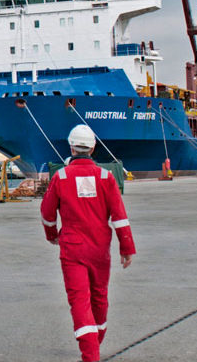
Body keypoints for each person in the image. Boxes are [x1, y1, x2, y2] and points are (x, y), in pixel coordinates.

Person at [40, 124, 136, 362]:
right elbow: (119, 216)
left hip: (72, 249)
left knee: (79, 300)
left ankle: (90, 353)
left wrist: (52, 235)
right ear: (93, 148)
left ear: (71, 147)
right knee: (99, 296)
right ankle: (95, 341)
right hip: (100, 249)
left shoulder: (61, 176)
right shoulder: (107, 177)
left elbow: (47, 213)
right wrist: (126, 248)